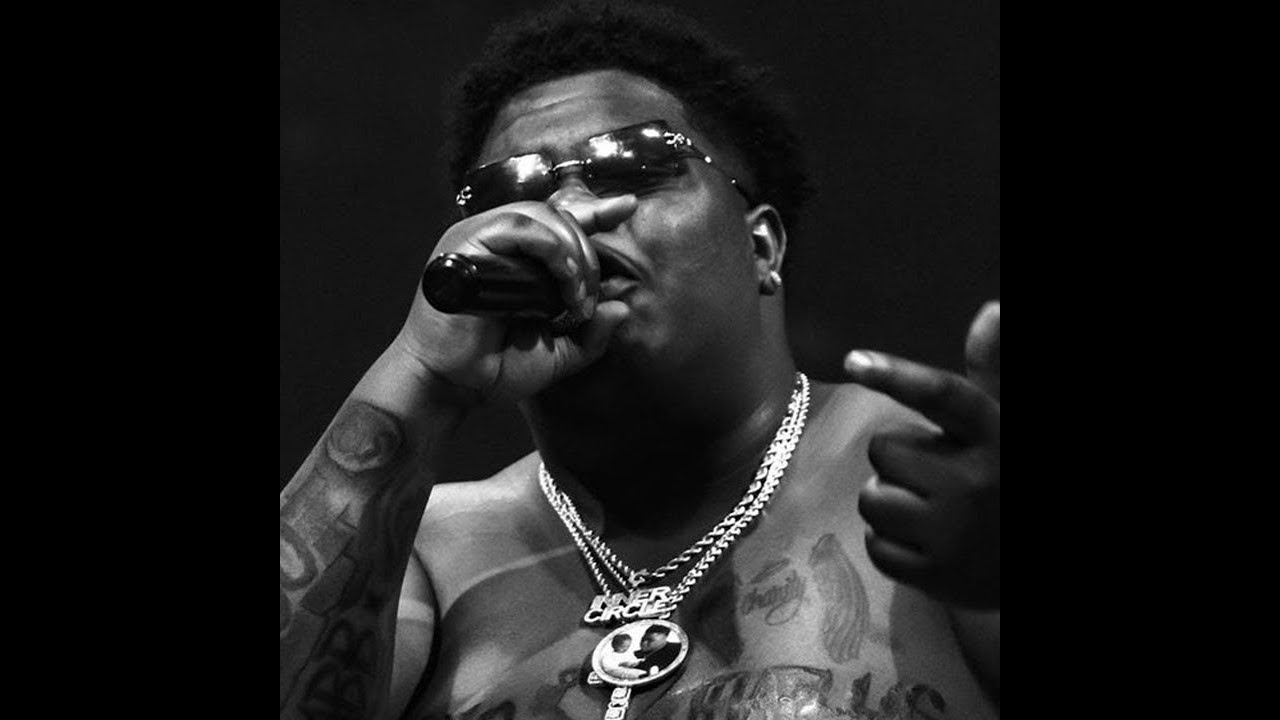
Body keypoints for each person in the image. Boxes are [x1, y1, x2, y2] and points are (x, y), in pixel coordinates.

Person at [279, 1, 999, 719]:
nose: (564, 210)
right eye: (509, 193)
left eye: (634, 165)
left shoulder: (933, 482)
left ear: (761, 247)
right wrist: (423, 375)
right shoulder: (425, 556)